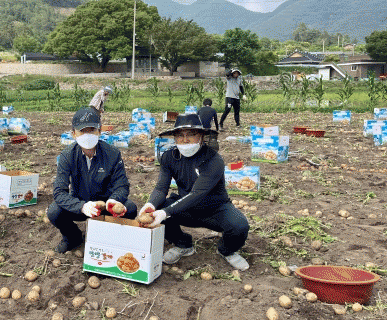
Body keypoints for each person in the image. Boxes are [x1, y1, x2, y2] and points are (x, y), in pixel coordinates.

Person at [138, 114, 250, 271]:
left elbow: (198, 193)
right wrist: (151, 204)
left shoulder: (213, 159)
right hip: (186, 208)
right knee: (158, 208)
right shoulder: (169, 157)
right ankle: (183, 244)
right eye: (180, 135)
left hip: (215, 210)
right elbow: (161, 188)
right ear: (174, 138)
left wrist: (165, 212)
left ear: (202, 136)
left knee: (240, 225)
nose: (185, 140)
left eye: (191, 134)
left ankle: (226, 250)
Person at [48, 107, 137, 253]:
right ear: (74, 134)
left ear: (99, 131)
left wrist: (113, 201)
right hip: (80, 204)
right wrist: (81, 206)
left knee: (130, 208)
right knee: (54, 212)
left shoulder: (112, 153)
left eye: (92, 130)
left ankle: (107, 236)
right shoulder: (67, 156)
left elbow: (122, 185)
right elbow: (59, 192)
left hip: (105, 206)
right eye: (82, 131)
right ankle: (73, 237)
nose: (87, 135)